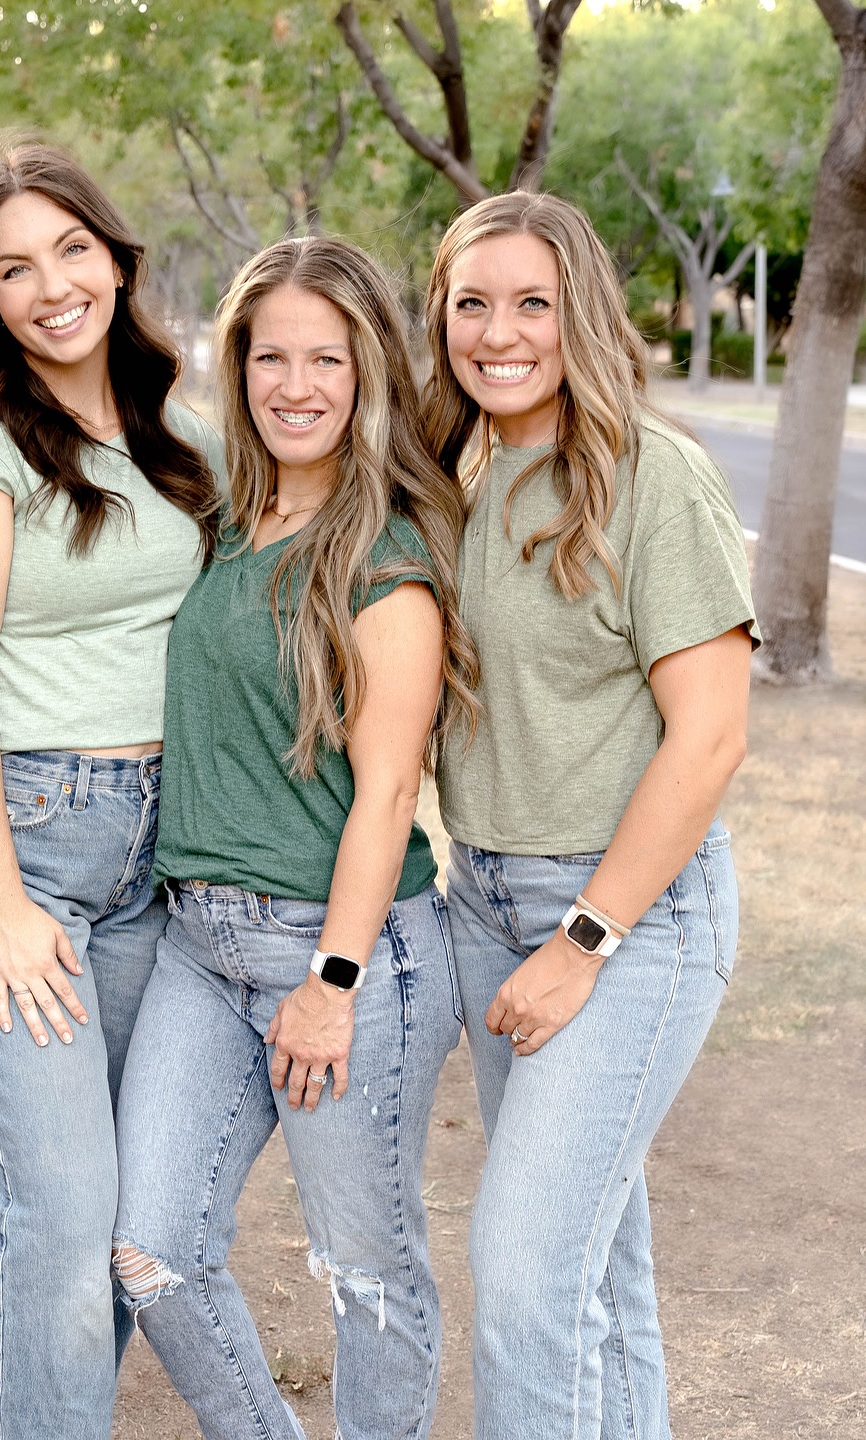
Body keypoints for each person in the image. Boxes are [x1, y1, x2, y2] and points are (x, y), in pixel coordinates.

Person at [111, 236, 477, 1440]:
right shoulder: (223, 515)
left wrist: (333, 981)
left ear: (368, 372)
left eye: (328, 359)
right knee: (152, 1248)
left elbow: (388, 793)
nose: (297, 385)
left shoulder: (387, 558)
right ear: (239, 366)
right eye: (272, 357)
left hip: (344, 954)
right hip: (197, 948)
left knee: (367, 1272)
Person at [422, 191, 757, 1440]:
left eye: (533, 304)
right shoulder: (452, 479)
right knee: (594, 1277)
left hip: (628, 918)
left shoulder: (653, 477)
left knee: (524, 1281)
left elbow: (711, 736)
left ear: (586, 317)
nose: (498, 332)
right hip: (484, 903)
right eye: (471, 303)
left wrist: (583, 940)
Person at [0, 141, 222, 1438]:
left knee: (116, 1223)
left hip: (159, 851)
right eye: (14, 269)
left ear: (116, 258)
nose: (52, 288)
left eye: (71, 251)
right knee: (56, 1215)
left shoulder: (178, 435)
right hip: (25, 841)